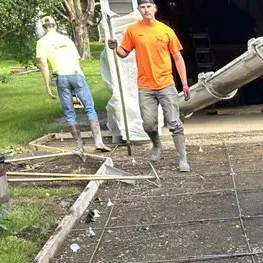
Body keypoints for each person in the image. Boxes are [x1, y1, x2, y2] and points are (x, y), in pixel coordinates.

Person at [109, 1, 191, 172]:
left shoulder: (166, 30)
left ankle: (182, 158)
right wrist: (115, 48)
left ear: (155, 9)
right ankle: (156, 144)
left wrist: (184, 83)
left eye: (149, 7)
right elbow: (124, 53)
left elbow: (177, 58)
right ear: (139, 10)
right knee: (149, 124)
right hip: (145, 86)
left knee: (174, 123)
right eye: (143, 7)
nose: (146, 10)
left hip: (166, 84)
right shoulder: (133, 30)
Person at [37, 16, 110, 153]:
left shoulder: (42, 42)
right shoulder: (67, 39)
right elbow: (77, 60)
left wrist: (47, 87)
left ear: (44, 27)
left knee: (69, 112)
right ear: (56, 25)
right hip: (76, 74)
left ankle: (79, 145)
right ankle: (98, 142)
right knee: (89, 108)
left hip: (61, 77)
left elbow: (44, 65)